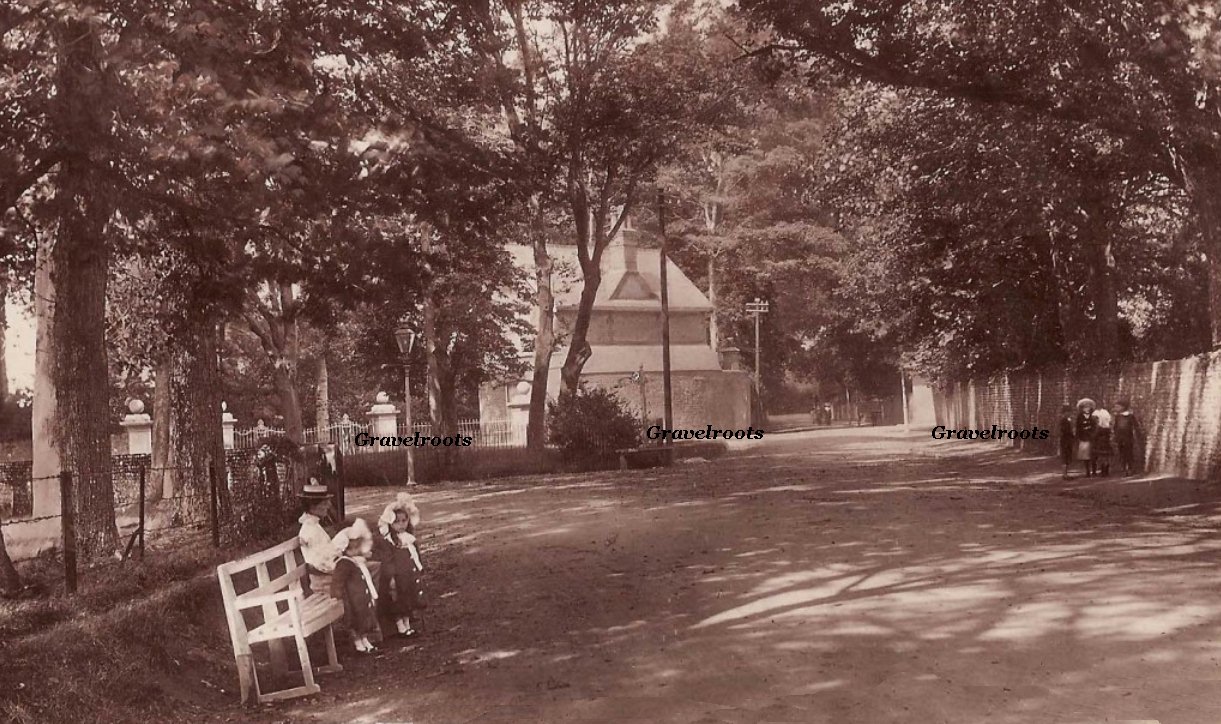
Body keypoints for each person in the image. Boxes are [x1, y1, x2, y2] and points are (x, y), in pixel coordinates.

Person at [375, 493, 426, 638]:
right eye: (397, 522)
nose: (401, 524)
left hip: (408, 575)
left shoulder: (409, 539)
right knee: (398, 601)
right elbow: (388, 561)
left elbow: (415, 554)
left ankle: (407, 624)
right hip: (397, 577)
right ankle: (400, 627)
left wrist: (419, 568)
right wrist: (391, 577)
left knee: (408, 599)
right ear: (390, 523)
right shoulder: (389, 541)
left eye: (404, 520)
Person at [331, 518, 380, 654]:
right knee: (355, 621)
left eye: (358, 547)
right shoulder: (344, 563)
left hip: (360, 598)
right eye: (353, 548)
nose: (357, 550)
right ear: (344, 549)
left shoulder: (356, 561)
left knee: (363, 619)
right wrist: (337, 595)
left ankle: (365, 641)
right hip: (352, 600)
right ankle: (358, 644)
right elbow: (337, 581)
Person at [297, 482, 339, 596]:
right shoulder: (310, 530)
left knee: (369, 568)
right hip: (325, 583)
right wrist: (344, 566)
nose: (329, 505)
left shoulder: (314, 525)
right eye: (325, 502)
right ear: (313, 506)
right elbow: (319, 564)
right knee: (370, 570)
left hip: (330, 576)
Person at [1113, 399, 1142, 476]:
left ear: (1123, 407)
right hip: (1120, 438)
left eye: (1118, 407)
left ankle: (1130, 468)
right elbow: (1115, 427)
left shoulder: (1130, 416)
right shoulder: (1118, 417)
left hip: (1128, 437)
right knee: (1122, 454)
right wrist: (1116, 436)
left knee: (1128, 453)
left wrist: (1136, 435)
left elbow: (1135, 426)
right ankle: (1124, 469)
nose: (1116, 408)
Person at [1075, 398, 1098, 477]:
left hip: (1092, 438)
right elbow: (1078, 428)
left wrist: (1093, 434)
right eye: (1085, 407)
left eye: (1088, 407)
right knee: (1085, 456)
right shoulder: (1080, 417)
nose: (1087, 409)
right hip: (1083, 438)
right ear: (1082, 408)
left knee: (1093, 455)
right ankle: (1087, 471)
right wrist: (1078, 437)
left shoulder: (1093, 416)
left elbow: (1095, 427)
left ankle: (1094, 471)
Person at [1092, 405, 1113, 477]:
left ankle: (1104, 471)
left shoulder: (1099, 428)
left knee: (1102, 457)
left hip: (1101, 443)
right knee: (1105, 457)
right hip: (1105, 441)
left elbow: (1095, 435)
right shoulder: (1107, 428)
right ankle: (1105, 471)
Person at [1057, 405, 1076, 480]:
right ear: (1065, 412)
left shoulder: (1067, 420)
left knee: (1067, 457)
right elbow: (1064, 431)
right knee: (1065, 457)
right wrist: (1072, 434)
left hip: (1067, 440)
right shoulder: (1063, 420)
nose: (1069, 413)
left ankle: (1065, 474)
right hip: (1065, 441)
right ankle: (1064, 474)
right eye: (1068, 412)